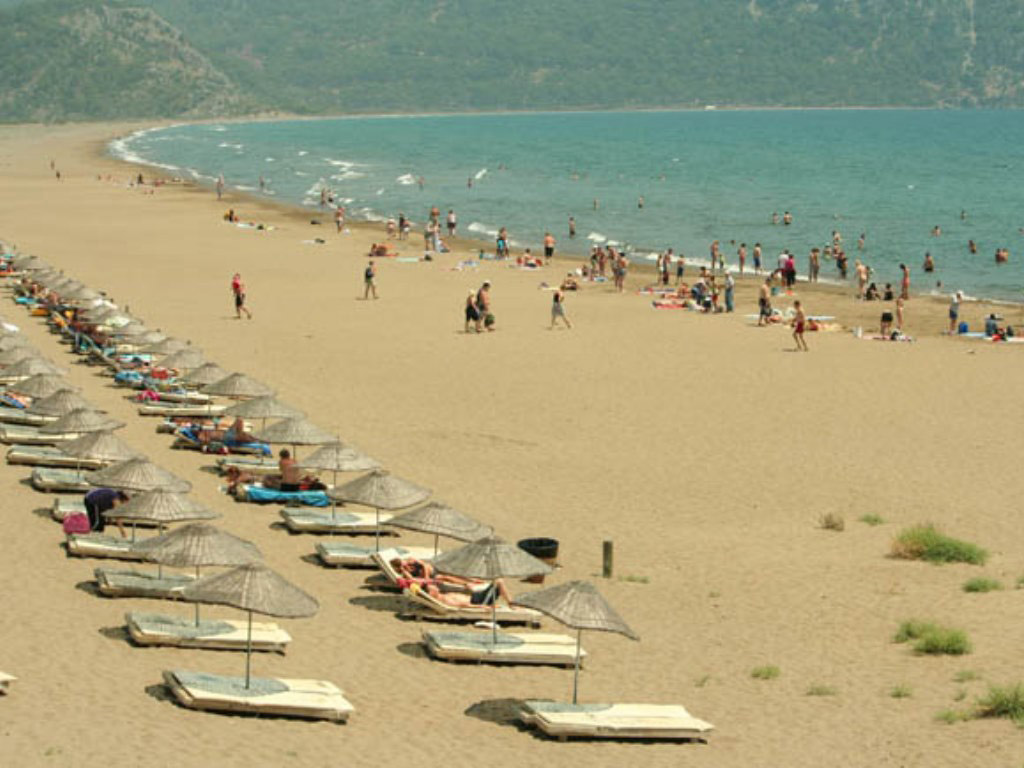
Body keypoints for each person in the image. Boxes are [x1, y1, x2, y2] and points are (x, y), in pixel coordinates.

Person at [423, 578, 512, 608]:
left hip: (476, 596)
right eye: (433, 588)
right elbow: (466, 605)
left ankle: (511, 603)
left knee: (497, 581)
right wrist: (485, 607)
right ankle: (511, 604)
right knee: (499, 581)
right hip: (479, 600)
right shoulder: (446, 600)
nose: (436, 588)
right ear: (431, 594)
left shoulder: (442, 595)